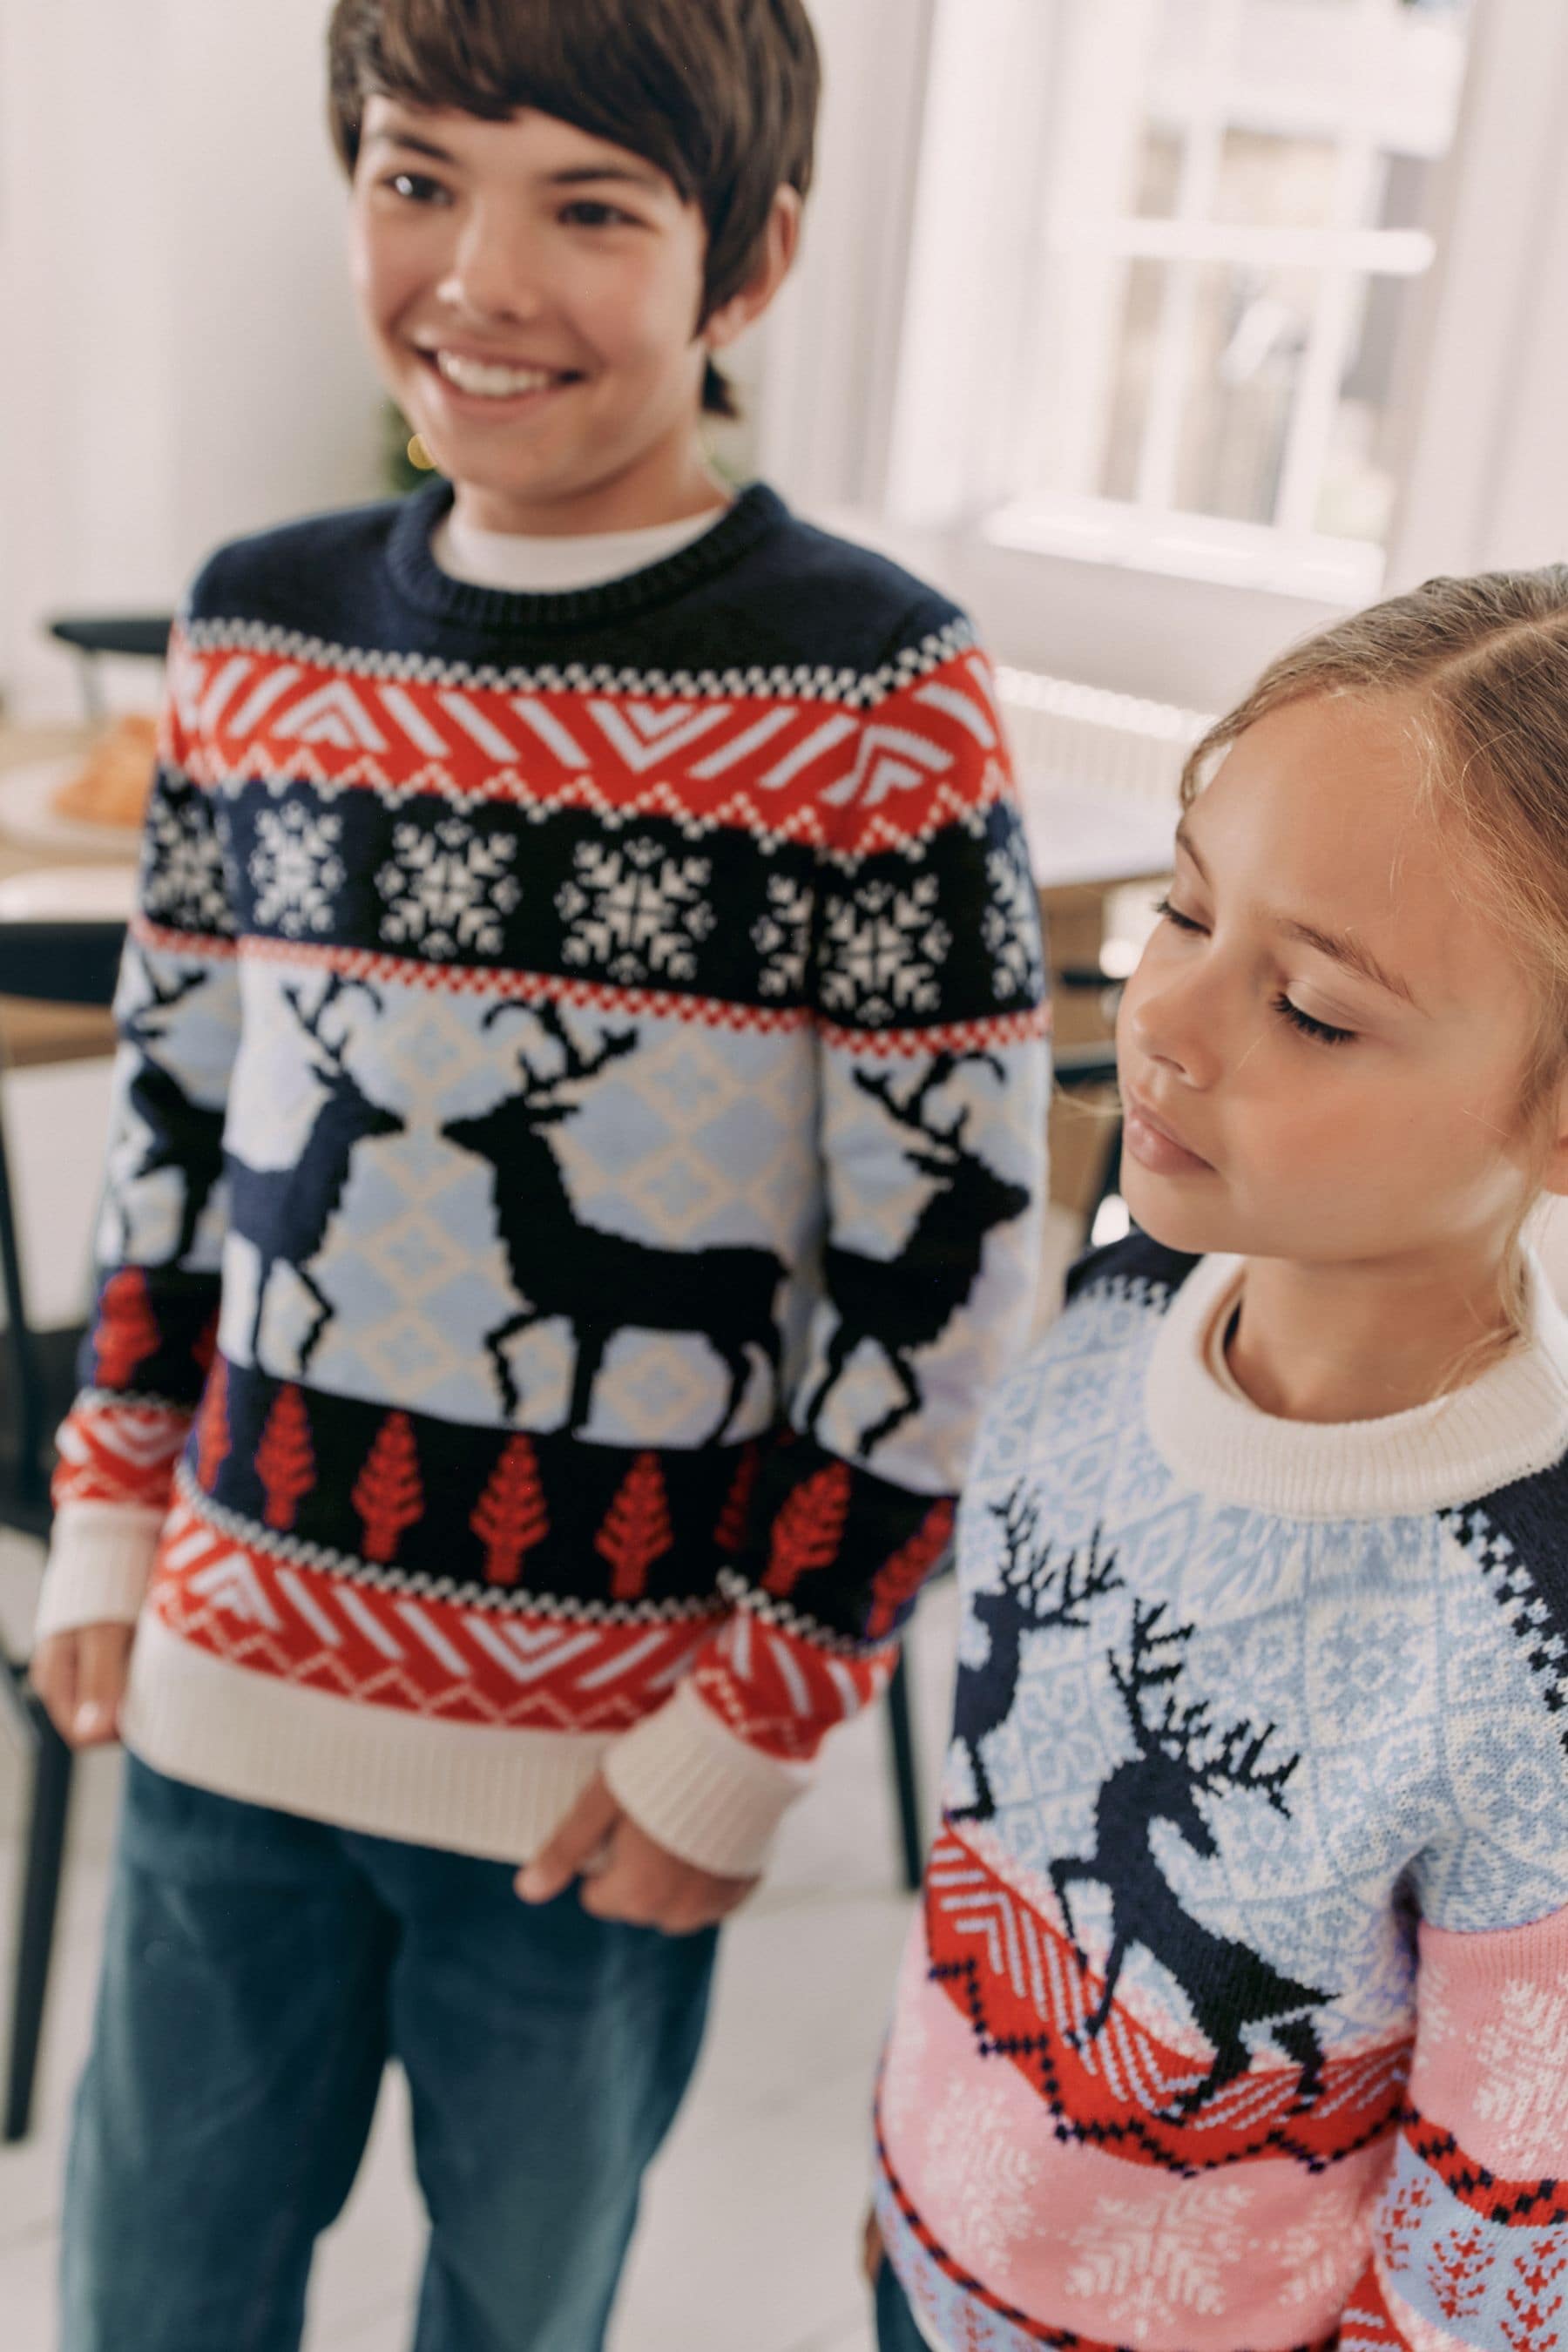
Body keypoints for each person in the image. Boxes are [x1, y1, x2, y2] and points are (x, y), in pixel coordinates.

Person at [30, 4, 1050, 2347]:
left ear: (751, 260)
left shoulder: (879, 699)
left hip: (603, 1768)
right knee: (149, 2292)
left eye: (590, 205)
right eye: (415, 179)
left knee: (523, 2300)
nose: (477, 275)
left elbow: (948, 1284)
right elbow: (177, 1113)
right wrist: (109, 1496)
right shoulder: (261, 625)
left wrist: (754, 1714)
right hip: (219, 1692)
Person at [868, 570, 1568, 2351]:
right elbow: (997, 1818)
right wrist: (913, 2185)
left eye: (1314, 1010)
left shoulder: (1524, 1643)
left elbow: (1501, 2223)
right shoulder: (1109, 1310)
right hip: (932, 2254)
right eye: (1185, 913)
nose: (1168, 1021)